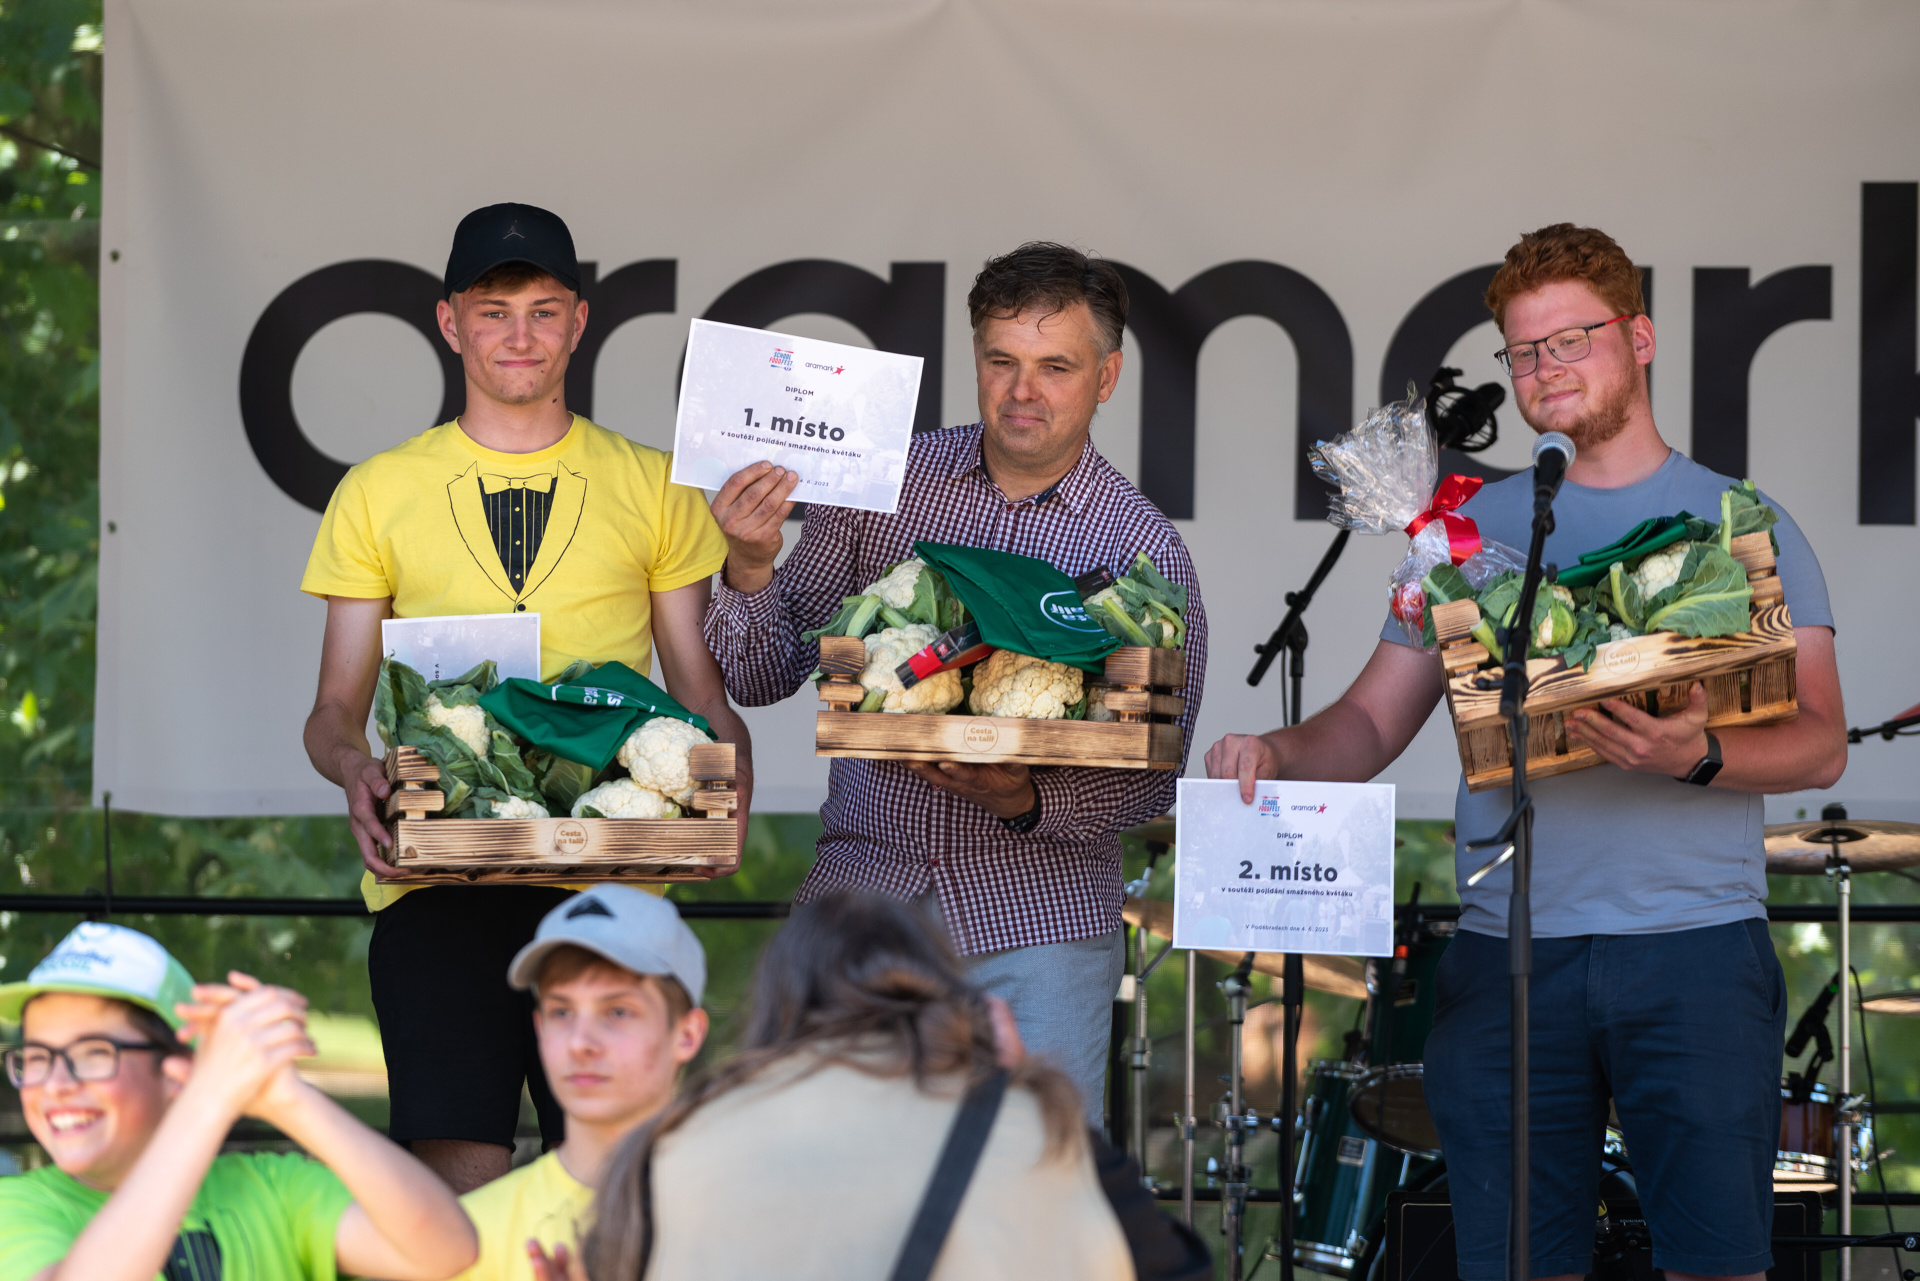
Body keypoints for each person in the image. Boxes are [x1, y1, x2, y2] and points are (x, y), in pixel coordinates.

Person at [1205, 223, 1847, 1281]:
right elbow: (1370, 723)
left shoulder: (1742, 519)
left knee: (1718, 1264)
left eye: (1572, 339)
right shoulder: (1461, 531)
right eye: (1525, 350)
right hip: (1509, 954)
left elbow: (1820, 743)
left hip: (1693, 949)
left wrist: (1696, 755)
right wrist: (1273, 752)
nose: (1547, 368)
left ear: (1640, 338)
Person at [300, 201, 750, 1192]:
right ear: (449, 321)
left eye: (544, 311)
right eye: (493, 311)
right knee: (456, 1181)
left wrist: (729, 793)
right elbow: (333, 709)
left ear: (579, 323)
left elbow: (702, 692)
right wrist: (354, 769)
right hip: (439, 882)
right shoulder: (376, 490)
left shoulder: (655, 484)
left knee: (615, 1181)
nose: (520, 335)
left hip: (611, 879)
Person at [703, 242, 1208, 1120]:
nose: (1023, 390)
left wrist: (1027, 799)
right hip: (863, 904)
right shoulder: (884, 486)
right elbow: (760, 672)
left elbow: (1155, 772)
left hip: (1040, 924)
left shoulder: (1141, 550)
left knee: (1030, 1188)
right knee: (830, 1182)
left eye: (1056, 367)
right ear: (975, 358)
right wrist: (749, 565)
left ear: (1107, 376)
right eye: (1002, 361)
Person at [577, 890, 1183, 1281]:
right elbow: (1169, 1266)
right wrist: (1032, 1090)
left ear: (781, 998)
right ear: (940, 995)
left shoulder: (679, 1140)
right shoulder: (1021, 1132)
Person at [0, 921, 477, 1281]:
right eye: (37, 1057)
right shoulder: (17, 1207)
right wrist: (207, 1099)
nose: (55, 1084)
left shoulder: (274, 1186)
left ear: (176, 1071)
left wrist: (287, 1098)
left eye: (91, 1054)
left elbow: (446, 1251)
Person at [451, 887, 709, 1281]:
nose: (580, 1042)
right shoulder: (468, 1232)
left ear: (687, 1034)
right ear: (540, 1027)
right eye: (561, 1012)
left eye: (618, 1011)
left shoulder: (751, 1215)